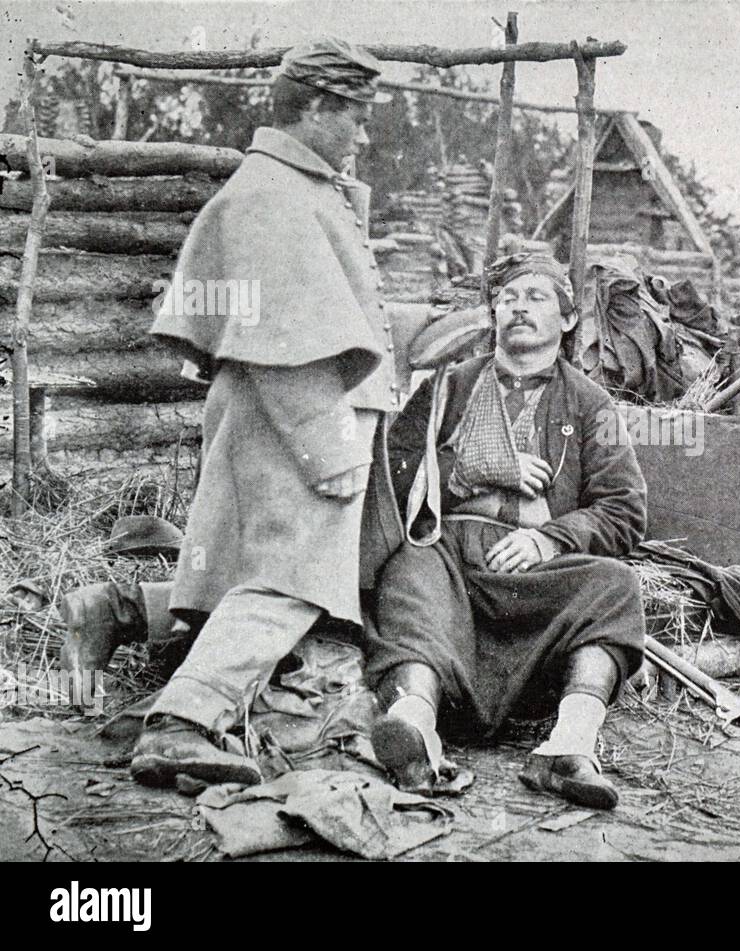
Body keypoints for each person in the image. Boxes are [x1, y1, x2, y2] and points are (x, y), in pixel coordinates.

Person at [128, 38, 416, 788]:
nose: (363, 132)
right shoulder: (271, 196)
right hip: (296, 414)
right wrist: (331, 447)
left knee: (249, 568)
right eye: (355, 114)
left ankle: (132, 627)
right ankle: (184, 720)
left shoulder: (286, 186)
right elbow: (285, 342)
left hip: (281, 411)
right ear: (316, 109)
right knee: (289, 579)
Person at [365, 251, 648, 809]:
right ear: (493, 313)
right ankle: (416, 726)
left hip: (534, 576)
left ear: (567, 321)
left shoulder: (590, 403)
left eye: (536, 297)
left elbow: (624, 510)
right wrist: (468, 468)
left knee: (615, 585)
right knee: (407, 569)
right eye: (508, 298)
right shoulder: (448, 386)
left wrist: (550, 539)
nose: (519, 308)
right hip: (447, 558)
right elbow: (393, 477)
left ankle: (569, 748)